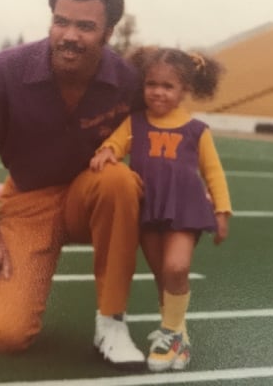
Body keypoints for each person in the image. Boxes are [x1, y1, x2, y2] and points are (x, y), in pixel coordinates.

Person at [0, 0, 147, 367]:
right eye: (61, 21)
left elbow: (150, 147)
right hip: (31, 200)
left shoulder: (127, 81)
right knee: (3, 336)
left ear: (108, 32)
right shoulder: (7, 69)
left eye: (86, 26)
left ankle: (111, 322)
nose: (70, 35)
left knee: (118, 181)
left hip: (89, 196)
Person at [89, 46, 232, 372]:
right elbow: (114, 142)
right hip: (148, 208)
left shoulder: (197, 130)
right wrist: (107, 151)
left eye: (168, 86)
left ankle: (171, 333)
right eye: (151, 84)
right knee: (162, 276)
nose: (158, 92)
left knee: (176, 268)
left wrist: (222, 211)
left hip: (185, 209)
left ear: (184, 90)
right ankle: (176, 336)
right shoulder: (135, 122)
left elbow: (214, 172)